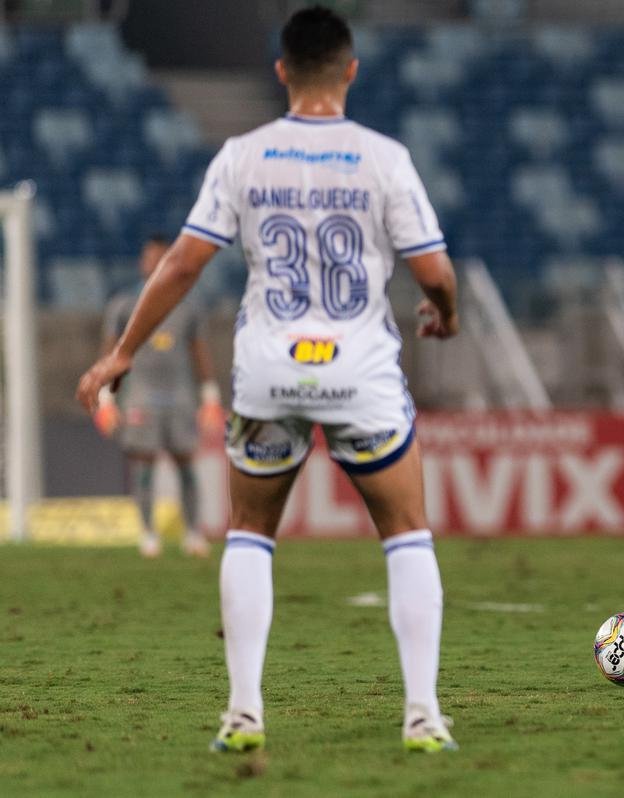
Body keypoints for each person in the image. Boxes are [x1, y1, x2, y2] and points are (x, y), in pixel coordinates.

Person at [77, 6, 460, 752]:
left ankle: (244, 713)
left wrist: (121, 352)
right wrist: (444, 312)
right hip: (360, 370)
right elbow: (434, 271)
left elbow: (184, 262)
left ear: (281, 71)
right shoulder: (384, 157)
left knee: (250, 533)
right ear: (351, 71)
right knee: (406, 533)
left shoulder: (242, 155)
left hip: (270, 371)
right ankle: (423, 715)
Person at [95, 234, 223, 559]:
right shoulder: (123, 306)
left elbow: (199, 353)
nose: (153, 263)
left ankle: (193, 533)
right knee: (144, 464)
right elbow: (109, 354)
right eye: (149, 257)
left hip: (179, 396)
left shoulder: (189, 308)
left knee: (185, 462)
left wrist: (210, 396)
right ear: (141, 263)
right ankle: (148, 534)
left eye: (160, 257)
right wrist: (106, 400)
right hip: (140, 396)